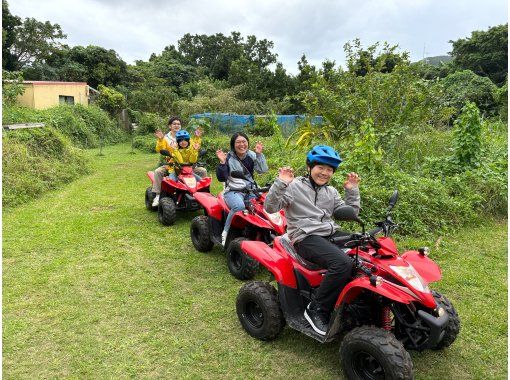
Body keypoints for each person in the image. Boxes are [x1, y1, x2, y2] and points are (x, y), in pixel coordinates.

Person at [264, 145, 361, 336]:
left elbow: (349, 213)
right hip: (305, 237)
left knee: (366, 251)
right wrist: (281, 183)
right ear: (310, 167)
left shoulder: (331, 192)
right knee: (342, 263)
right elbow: (270, 206)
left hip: (329, 233)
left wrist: (352, 191)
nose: (325, 173)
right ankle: (316, 308)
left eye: (329, 169)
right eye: (321, 167)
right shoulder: (294, 187)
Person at [216, 132, 268, 246]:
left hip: (251, 189)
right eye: (238, 142)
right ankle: (226, 232)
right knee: (239, 206)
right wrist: (222, 162)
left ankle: (264, 233)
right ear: (233, 145)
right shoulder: (228, 157)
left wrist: (259, 155)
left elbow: (263, 170)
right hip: (233, 191)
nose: (241, 145)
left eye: (244, 141)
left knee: (265, 205)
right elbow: (221, 178)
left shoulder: (252, 155)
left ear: (248, 143)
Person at [152, 117, 206, 206]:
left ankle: (202, 193)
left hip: (188, 167)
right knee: (158, 171)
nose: (177, 125)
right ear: (170, 126)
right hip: (171, 165)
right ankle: (158, 195)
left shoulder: (185, 136)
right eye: (174, 124)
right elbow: (160, 150)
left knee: (202, 171)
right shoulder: (165, 138)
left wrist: (197, 137)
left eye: (178, 124)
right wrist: (161, 140)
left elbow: (194, 147)